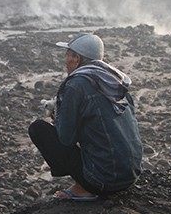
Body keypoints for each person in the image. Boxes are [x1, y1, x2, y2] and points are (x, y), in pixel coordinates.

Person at [29, 33, 143, 202]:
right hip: (131, 175)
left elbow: (66, 139)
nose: (65, 59)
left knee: (38, 129)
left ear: (76, 58)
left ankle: (84, 187)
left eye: (67, 54)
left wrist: (59, 118)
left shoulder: (76, 84)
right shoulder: (114, 80)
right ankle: (87, 180)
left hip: (104, 182)